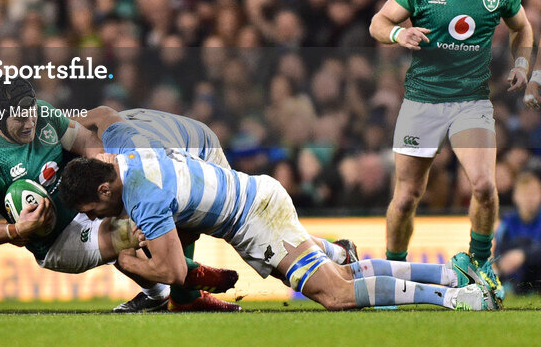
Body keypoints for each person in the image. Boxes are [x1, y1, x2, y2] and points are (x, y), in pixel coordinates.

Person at [60, 108, 499, 311]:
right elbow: (102, 114)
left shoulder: (143, 198)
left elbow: (174, 272)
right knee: (342, 275)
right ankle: (451, 275)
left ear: (104, 187)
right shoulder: (124, 144)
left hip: (256, 220)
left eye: (93, 210)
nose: (97, 219)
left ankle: (454, 298)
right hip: (256, 196)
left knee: (335, 294)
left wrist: (129, 260)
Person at [0, 80, 240, 313]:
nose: (30, 122)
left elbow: (85, 140)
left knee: (157, 204)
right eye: (20, 118)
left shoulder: (42, 114)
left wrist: (103, 165)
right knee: (130, 233)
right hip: (58, 239)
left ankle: (161, 295)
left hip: (82, 200)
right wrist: (15, 230)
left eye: (32, 112)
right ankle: (185, 285)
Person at [369, 0, 532, 301]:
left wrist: (522, 64)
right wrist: (399, 34)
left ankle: (481, 266)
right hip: (422, 101)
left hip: (470, 102)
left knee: (485, 186)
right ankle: (394, 274)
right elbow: (378, 23)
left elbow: (523, 29)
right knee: (406, 197)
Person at [75, 106, 360, 308]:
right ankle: (338, 252)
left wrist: (139, 251)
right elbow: (101, 114)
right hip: (176, 142)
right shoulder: (112, 144)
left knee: (188, 230)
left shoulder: (131, 162)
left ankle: (186, 295)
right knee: (158, 231)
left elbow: (167, 211)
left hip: (198, 148)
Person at [494, 165, 541, 294]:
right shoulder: (507, 223)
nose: (529, 198)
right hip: (514, 279)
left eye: (534, 193)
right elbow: (498, 253)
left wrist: (523, 255)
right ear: (515, 196)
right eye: (525, 194)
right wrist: (502, 263)